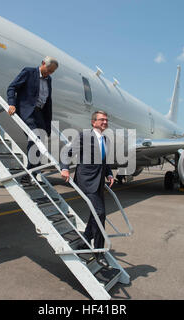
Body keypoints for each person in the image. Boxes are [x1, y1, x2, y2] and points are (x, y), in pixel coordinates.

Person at [60, 111, 115, 268]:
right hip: (86, 180)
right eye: (101, 120)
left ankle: (85, 241)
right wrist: (64, 168)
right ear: (93, 122)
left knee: (95, 213)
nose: (105, 122)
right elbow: (67, 152)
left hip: (98, 182)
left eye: (106, 119)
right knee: (100, 213)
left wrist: (109, 174)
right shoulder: (84, 135)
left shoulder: (105, 139)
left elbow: (104, 161)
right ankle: (99, 252)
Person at [6, 57, 59, 183]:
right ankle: (28, 174)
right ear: (42, 64)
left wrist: (47, 125)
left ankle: (32, 175)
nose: (49, 73)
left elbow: (48, 102)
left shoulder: (49, 80)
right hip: (26, 110)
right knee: (35, 138)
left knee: (40, 143)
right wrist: (11, 104)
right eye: (48, 70)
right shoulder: (29, 72)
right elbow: (12, 87)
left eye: (52, 72)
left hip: (39, 113)